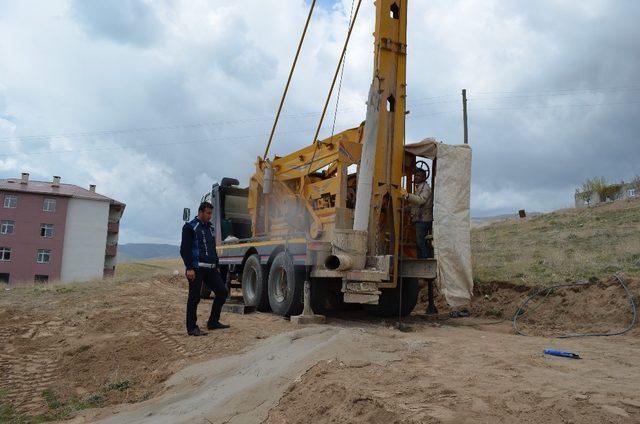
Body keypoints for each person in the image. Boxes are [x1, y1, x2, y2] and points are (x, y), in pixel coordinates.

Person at [180, 201, 229, 336]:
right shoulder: (190, 227)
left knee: (222, 292)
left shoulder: (210, 228)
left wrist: (217, 265)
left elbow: (212, 249)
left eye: (211, 213)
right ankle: (192, 328)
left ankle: (213, 322)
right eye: (208, 213)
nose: (209, 216)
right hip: (196, 269)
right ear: (200, 212)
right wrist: (189, 267)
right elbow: (184, 250)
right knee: (194, 298)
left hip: (211, 269)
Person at [404, 168, 433, 259]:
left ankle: (424, 261)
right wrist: (403, 209)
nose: (416, 177)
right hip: (420, 219)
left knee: (421, 242)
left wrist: (407, 195)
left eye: (419, 176)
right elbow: (415, 205)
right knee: (420, 242)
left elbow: (421, 200)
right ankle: (422, 259)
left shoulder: (425, 188)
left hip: (423, 220)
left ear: (424, 177)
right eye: (415, 175)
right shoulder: (420, 187)